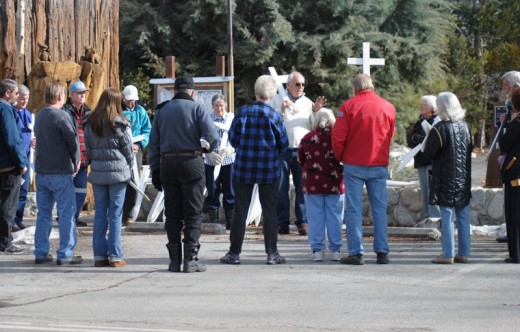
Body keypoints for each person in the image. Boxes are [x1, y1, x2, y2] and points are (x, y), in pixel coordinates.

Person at [148, 76, 218, 273]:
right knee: (193, 213)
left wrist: (155, 170)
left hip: (168, 163)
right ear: (192, 92)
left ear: (174, 91)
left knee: (172, 214)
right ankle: (191, 260)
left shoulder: (162, 111)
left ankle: (174, 260)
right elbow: (212, 137)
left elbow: (153, 144)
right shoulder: (197, 109)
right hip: (192, 162)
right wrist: (206, 148)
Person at [220, 75, 289, 265]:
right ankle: (272, 253)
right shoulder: (275, 116)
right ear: (273, 93)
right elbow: (284, 144)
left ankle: (234, 253)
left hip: (244, 168)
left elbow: (233, 141)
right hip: (269, 170)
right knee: (269, 211)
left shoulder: (242, 113)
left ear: (255, 91)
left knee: (240, 210)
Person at [332, 74, 395, 265]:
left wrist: (340, 156)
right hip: (378, 162)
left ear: (355, 88)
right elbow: (389, 135)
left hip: (354, 163)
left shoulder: (348, 107)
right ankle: (382, 252)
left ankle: (356, 252)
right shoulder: (388, 107)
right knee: (379, 209)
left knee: (354, 210)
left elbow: (338, 136)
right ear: (372, 86)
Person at [270, 71, 327, 236]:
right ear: (288, 85)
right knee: (281, 188)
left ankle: (303, 222)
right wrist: (281, 109)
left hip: (303, 151)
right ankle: (282, 223)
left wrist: (316, 111)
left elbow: (315, 127)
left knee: (303, 187)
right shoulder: (277, 98)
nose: (301, 87)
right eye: (297, 84)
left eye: (303, 84)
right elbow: (271, 121)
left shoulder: (308, 103)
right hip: (282, 150)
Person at [34, 81, 82, 265]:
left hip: (42, 171)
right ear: (60, 97)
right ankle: (65, 253)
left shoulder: (39, 116)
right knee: (66, 213)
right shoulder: (61, 116)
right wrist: (76, 161)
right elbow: (72, 140)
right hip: (60, 171)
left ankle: (41, 252)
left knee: (43, 214)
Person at [84, 88, 134, 268]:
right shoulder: (121, 123)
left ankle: (99, 256)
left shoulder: (90, 123)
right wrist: (128, 167)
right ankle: (115, 256)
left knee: (100, 214)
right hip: (118, 173)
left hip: (98, 172)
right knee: (115, 214)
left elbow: (88, 151)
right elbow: (128, 152)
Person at [423, 92, 472, 264]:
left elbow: (429, 152)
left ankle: (448, 254)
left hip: (445, 178)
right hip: (463, 177)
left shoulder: (440, 128)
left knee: (447, 215)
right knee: (463, 215)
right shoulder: (465, 126)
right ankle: (464, 253)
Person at [297, 108, 344, 261]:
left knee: (315, 217)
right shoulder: (338, 137)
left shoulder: (308, 138)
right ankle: (336, 250)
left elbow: (300, 158)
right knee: (335, 216)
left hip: (313, 184)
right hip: (335, 183)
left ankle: (317, 250)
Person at [0, 79, 27, 254]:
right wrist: (21, 162)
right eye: (17, 93)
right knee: (8, 206)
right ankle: (5, 242)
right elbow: (12, 139)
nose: (18, 97)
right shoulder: (6, 110)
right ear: (8, 93)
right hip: (9, 166)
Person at [203, 94, 235, 229]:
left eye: (221, 105)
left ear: (225, 105)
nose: (219, 108)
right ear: (212, 106)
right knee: (212, 189)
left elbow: (238, 137)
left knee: (230, 190)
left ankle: (231, 223)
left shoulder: (232, 119)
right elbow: (202, 138)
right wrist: (209, 152)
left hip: (228, 161)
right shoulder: (208, 119)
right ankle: (213, 222)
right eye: (216, 105)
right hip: (212, 161)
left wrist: (232, 148)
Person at [62, 81, 92, 227]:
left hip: (84, 159)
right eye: (79, 93)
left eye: (84, 93)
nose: (82, 95)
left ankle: (73, 217)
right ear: (71, 94)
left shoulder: (89, 111)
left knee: (81, 191)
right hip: (68, 159)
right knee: (67, 191)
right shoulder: (64, 111)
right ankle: (66, 218)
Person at [406, 95, 441, 221]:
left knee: (432, 191)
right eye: (421, 104)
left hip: (432, 162)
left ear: (432, 107)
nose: (421, 107)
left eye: (424, 105)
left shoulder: (438, 121)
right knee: (424, 191)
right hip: (421, 161)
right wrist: (415, 138)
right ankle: (427, 217)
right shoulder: (419, 121)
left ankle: (435, 218)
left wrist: (422, 139)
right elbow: (410, 140)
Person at [121, 85, 151, 225]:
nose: (130, 102)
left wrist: (139, 145)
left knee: (134, 182)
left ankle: (128, 214)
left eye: (132, 100)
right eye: (128, 100)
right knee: (121, 181)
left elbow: (147, 130)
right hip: (120, 151)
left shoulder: (141, 111)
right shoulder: (118, 111)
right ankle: (118, 213)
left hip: (136, 151)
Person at [496, 71, 520, 243]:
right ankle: (512, 233)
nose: (504, 90)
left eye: (506, 86)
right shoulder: (510, 103)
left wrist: (511, 121)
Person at [11, 85, 32, 232]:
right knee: (12, 192)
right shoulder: (10, 113)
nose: (25, 102)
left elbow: (29, 133)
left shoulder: (28, 114)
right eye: (22, 99)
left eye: (27, 99)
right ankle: (10, 221)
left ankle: (18, 219)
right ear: (16, 97)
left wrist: (33, 141)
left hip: (26, 158)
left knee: (23, 191)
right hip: (14, 160)